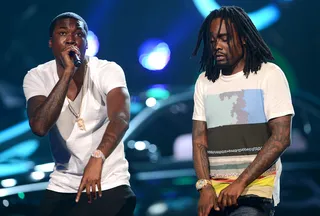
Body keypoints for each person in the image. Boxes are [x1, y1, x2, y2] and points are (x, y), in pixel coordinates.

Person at [23, 12, 136, 216]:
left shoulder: (107, 70)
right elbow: (39, 126)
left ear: (87, 42)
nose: (70, 38)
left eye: (78, 34)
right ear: (51, 42)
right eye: (63, 33)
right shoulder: (36, 77)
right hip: (64, 183)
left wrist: (98, 156)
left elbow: (121, 117)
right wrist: (68, 72)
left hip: (108, 181)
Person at [191, 6, 294, 216]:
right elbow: (199, 140)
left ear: (244, 38)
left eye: (224, 39)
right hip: (216, 197)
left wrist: (240, 184)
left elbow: (281, 138)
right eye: (212, 41)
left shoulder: (268, 74)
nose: (217, 46)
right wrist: (205, 186)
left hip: (255, 193)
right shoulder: (205, 81)